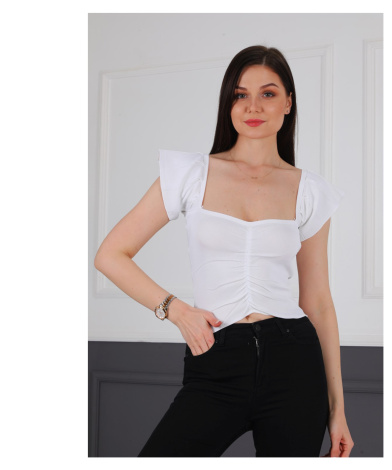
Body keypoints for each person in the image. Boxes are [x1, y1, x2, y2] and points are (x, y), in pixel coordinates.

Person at [94, 45, 354, 457]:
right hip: (216, 358)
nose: (253, 106)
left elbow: (318, 302)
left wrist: (337, 410)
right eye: (240, 94)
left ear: (288, 102)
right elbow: (110, 254)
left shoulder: (310, 191)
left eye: (268, 93)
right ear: (227, 103)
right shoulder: (190, 174)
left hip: (294, 364)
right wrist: (176, 310)